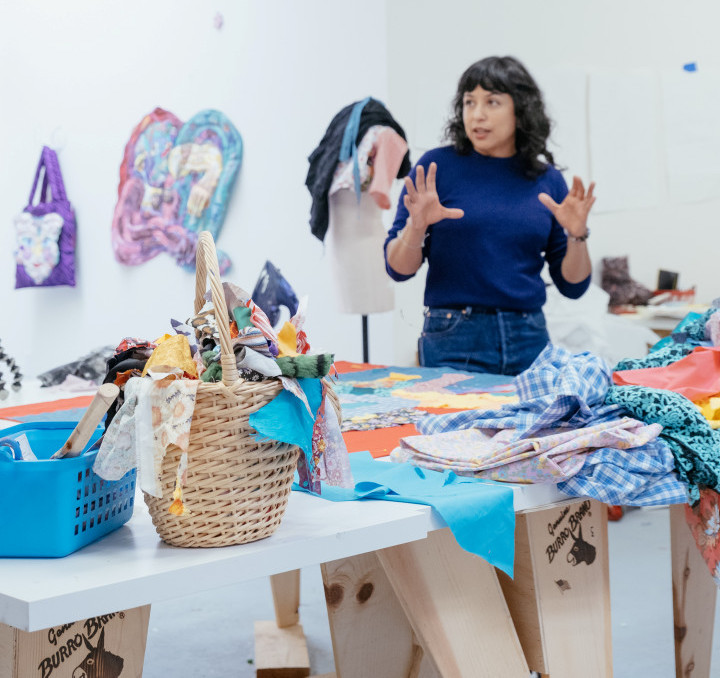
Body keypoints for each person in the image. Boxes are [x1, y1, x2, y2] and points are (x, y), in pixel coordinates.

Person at [384, 55, 596, 375]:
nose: (477, 115)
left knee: (536, 428)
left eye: (492, 102)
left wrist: (576, 236)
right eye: (469, 102)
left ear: (520, 110)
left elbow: (573, 286)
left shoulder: (547, 179)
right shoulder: (435, 168)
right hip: (453, 336)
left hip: (529, 337)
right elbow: (396, 269)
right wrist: (416, 228)